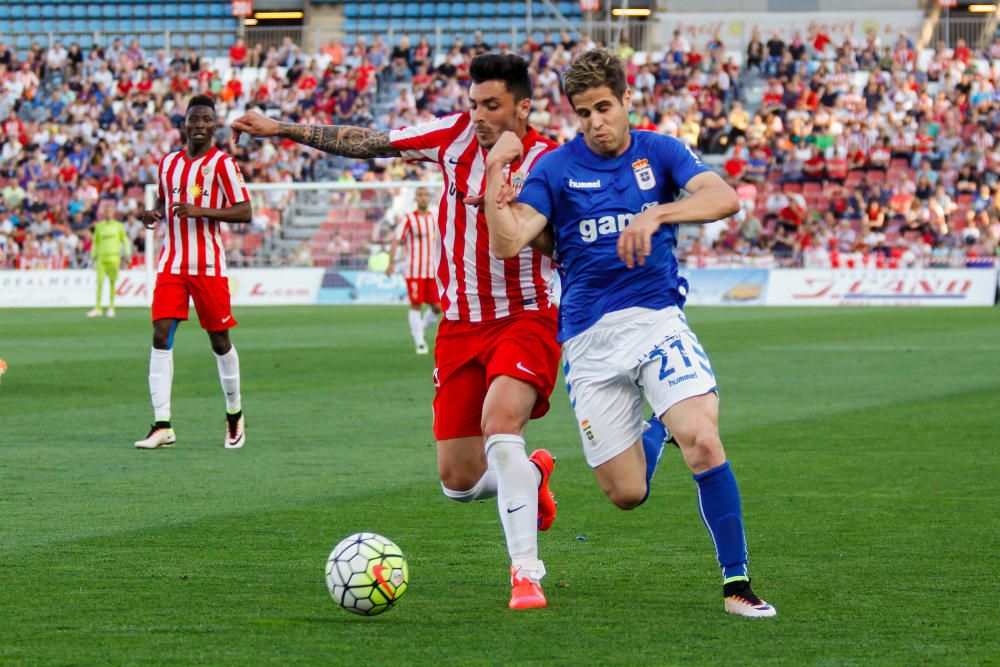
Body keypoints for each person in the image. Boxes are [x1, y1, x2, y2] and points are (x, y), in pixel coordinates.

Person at [232, 53, 560, 609]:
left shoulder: (551, 161)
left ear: (523, 107)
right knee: (457, 482)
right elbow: (369, 141)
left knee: (501, 423)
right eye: (474, 103)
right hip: (459, 324)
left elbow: (560, 246)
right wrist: (280, 129)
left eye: (493, 106)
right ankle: (529, 476)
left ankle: (525, 572)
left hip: (527, 315)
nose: (478, 115)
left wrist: (512, 209)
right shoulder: (451, 137)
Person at [483, 49, 777, 618]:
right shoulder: (555, 169)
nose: (595, 122)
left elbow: (724, 198)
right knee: (626, 494)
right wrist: (498, 177)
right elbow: (509, 241)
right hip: (589, 342)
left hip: (655, 319)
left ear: (625, 101)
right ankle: (654, 431)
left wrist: (658, 214)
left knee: (702, 438)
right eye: (583, 112)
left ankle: (736, 583)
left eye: (604, 108)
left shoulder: (659, 151)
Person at [135, 94, 252, 451]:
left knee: (219, 340)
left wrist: (201, 210)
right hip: (172, 263)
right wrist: (152, 214)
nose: (199, 125)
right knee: (160, 334)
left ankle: (234, 414)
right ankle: (162, 424)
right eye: (193, 120)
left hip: (209, 266)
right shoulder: (168, 163)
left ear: (214, 126)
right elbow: (164, 202)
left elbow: (244, 211)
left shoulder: (223, 165)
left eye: (206, 120)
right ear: (184, 124)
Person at [385, 186, 442, 354]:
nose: (423, 198)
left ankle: (420, 330)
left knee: (437, 307)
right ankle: (420, 342)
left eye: (425, 195)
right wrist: (391, 263)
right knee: (416, 304)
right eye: (420, 195)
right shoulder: (408, 219)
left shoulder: (434, 218)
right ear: (415, 199)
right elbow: (397, 240)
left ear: (429, 198)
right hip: (414, 269)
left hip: (431, 269)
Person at [87, 202, 131, 318]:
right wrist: (92, 257)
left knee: (112, 283)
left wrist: (127, 254)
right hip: (101, 258)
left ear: (113, 213)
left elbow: (124, 240)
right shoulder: (99, 226)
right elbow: (95, 243)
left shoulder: (118, 226)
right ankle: (98, 308)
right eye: (106, 211)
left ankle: (111, 307)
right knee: (100, 283)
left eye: (110, 211)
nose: (108, 214)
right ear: (103, 213)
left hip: (114, 257)